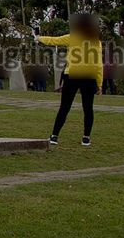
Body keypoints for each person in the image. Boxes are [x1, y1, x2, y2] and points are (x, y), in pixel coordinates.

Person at [35, 13, 103, 147]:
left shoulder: (73, 37)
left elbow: (54, 40)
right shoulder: (96, 41)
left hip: (72, 74)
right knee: (88, 108)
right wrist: (99, 83)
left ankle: (54, 136)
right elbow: (98, 64)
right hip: (89, 76)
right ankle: (86, 138)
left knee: (64, 107)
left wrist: (38, 38)